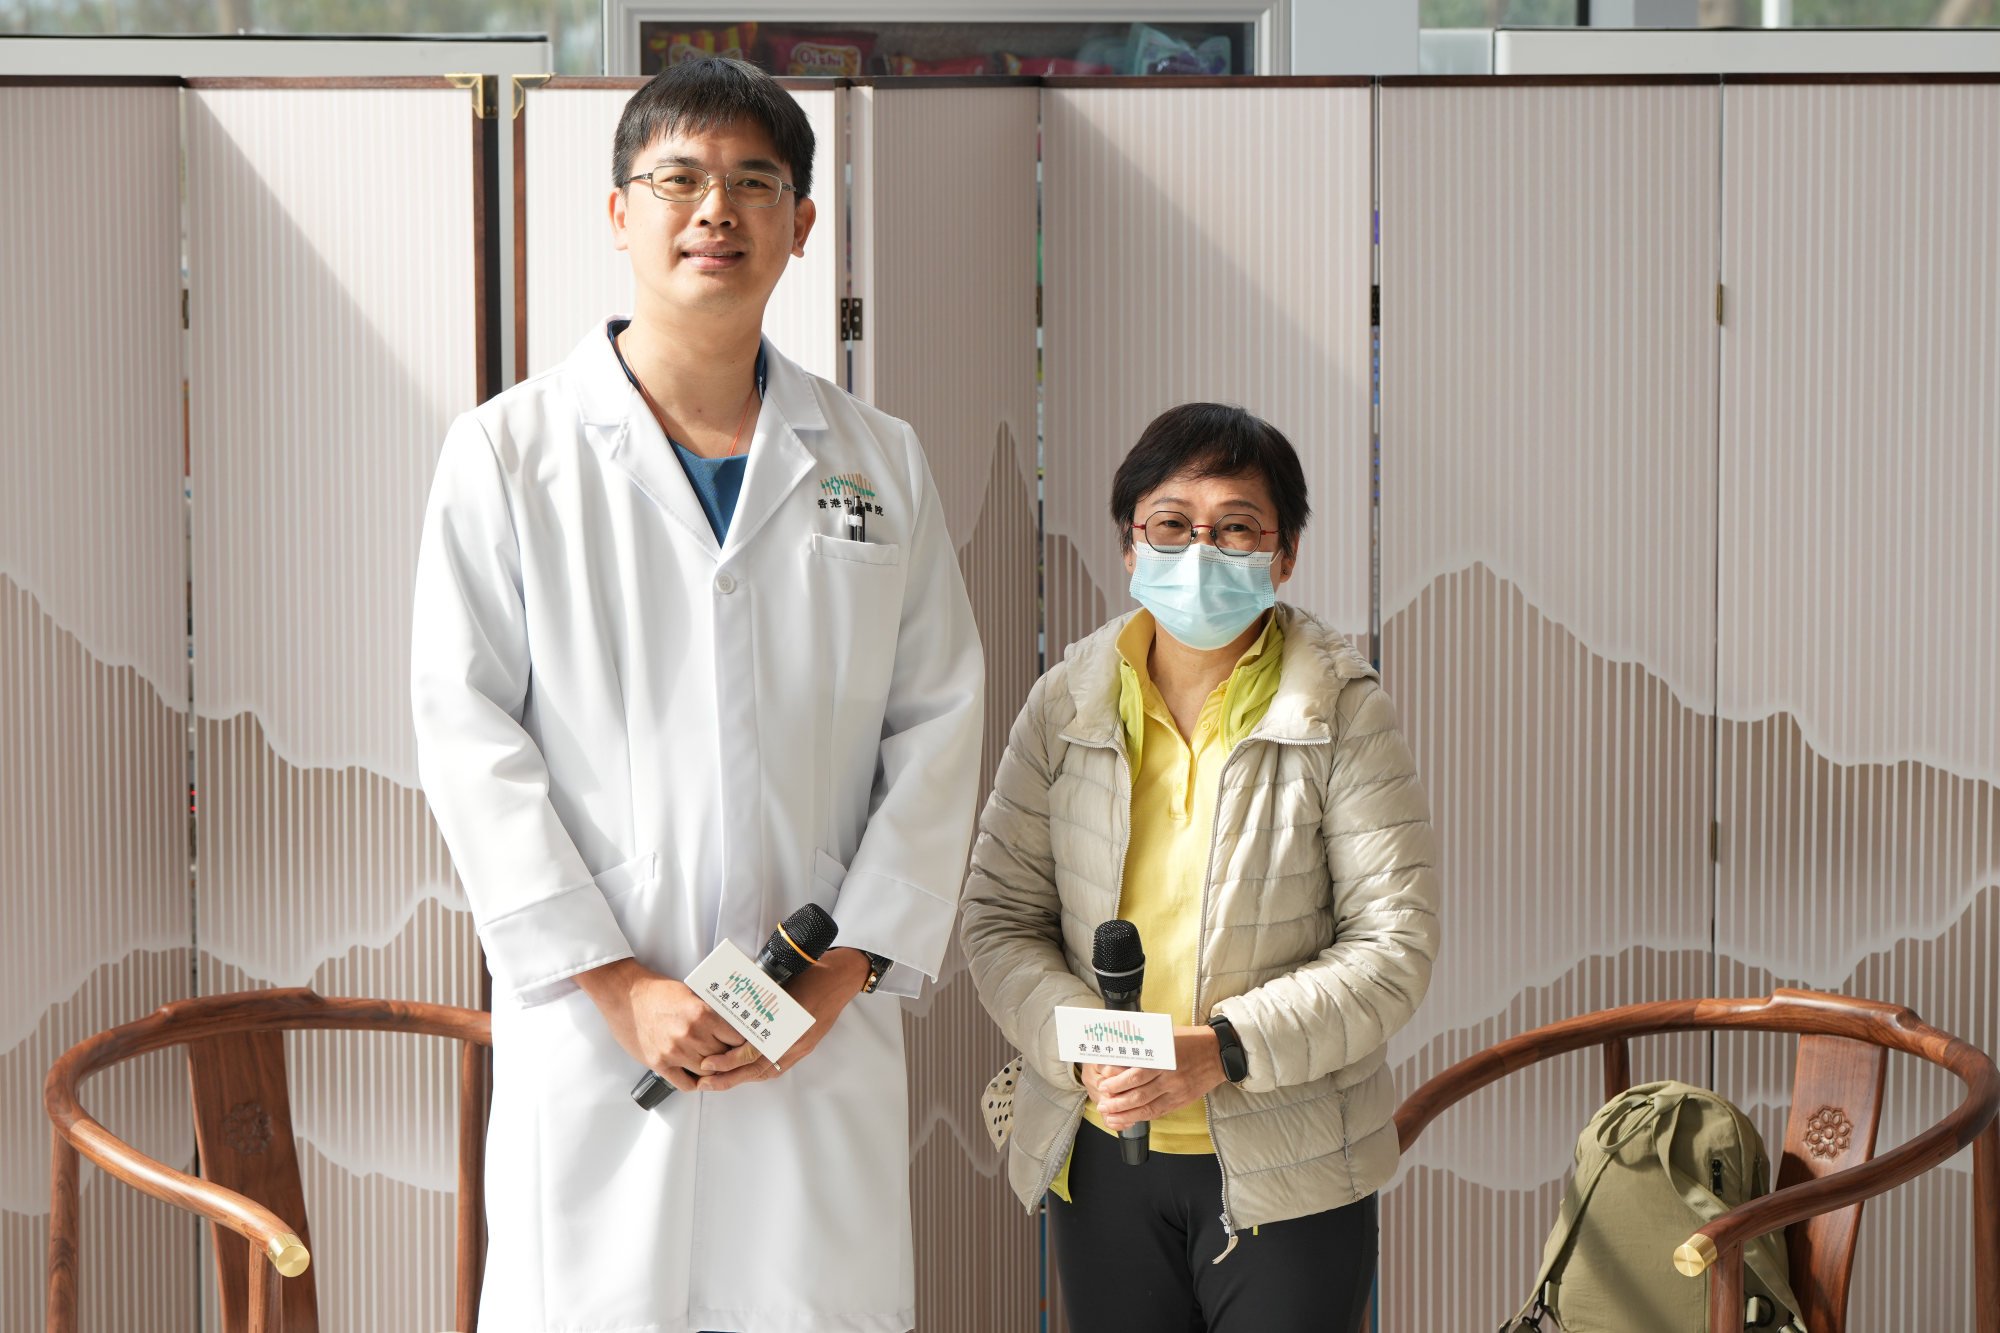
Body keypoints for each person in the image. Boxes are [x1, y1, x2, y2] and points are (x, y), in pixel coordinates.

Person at [411, 57, 983, 1333]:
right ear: (619, 213)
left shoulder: (876, 461)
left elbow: (938, 722)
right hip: (599, 1032)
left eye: (751, 183)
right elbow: (467, 735)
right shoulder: (510, 453)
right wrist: (618, 984)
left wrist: (832, 981)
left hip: (812, 1020)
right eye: (677, 179)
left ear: (801, 226)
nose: (712, 209)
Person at [958, 403, 1439, 1332]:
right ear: (1131, 547)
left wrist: (1221, 1049)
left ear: (1284, 553)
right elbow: (998, 917)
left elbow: (1394, 948)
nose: (1201, 550)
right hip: (1097, 1149)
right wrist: (1087, 1042)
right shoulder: (1065, 702)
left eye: (1236, 528)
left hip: (1290, 1166)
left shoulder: (1343, 709)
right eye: (1172, 524)